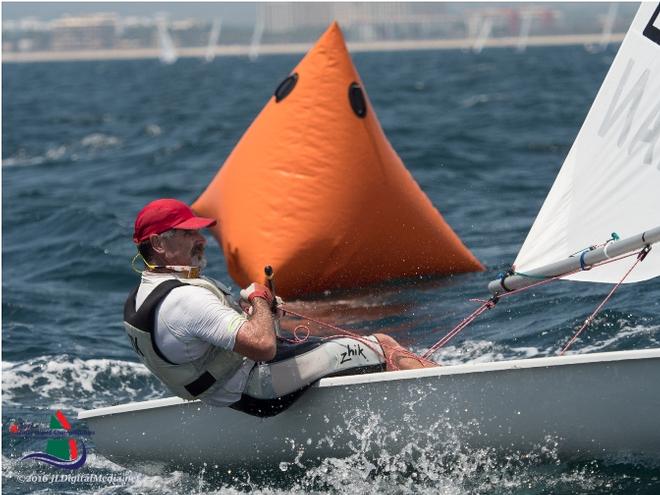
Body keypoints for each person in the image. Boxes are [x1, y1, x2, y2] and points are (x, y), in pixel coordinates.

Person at [124, 198, 436, 415]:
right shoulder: (187, 299)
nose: (200, 239)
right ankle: (450, 396)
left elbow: (193, 345)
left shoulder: (142, 297)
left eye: (198, 231)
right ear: (159, 245)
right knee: (383, 345)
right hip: (260, 389)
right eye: (188, 233)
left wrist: (256, 314)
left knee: (345, 354)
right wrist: (259, 299)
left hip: (227, 394)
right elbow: (262, 346)